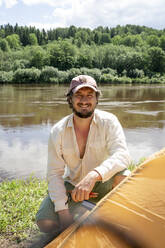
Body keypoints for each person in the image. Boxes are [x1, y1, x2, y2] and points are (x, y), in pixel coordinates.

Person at [36, 75, 131, 235]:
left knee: (124, 178)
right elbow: (54, 173)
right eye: (79, 95)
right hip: (73, 187)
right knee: (45, 223)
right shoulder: (58, 131)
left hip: (103, 181)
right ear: (70, 99)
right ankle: (86, 210)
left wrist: (94, 175)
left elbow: (122, 155)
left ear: (96, 99)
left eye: (90, 95)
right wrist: (64, 214)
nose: (84, 100)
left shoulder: (109, 121)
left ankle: (107, 214)